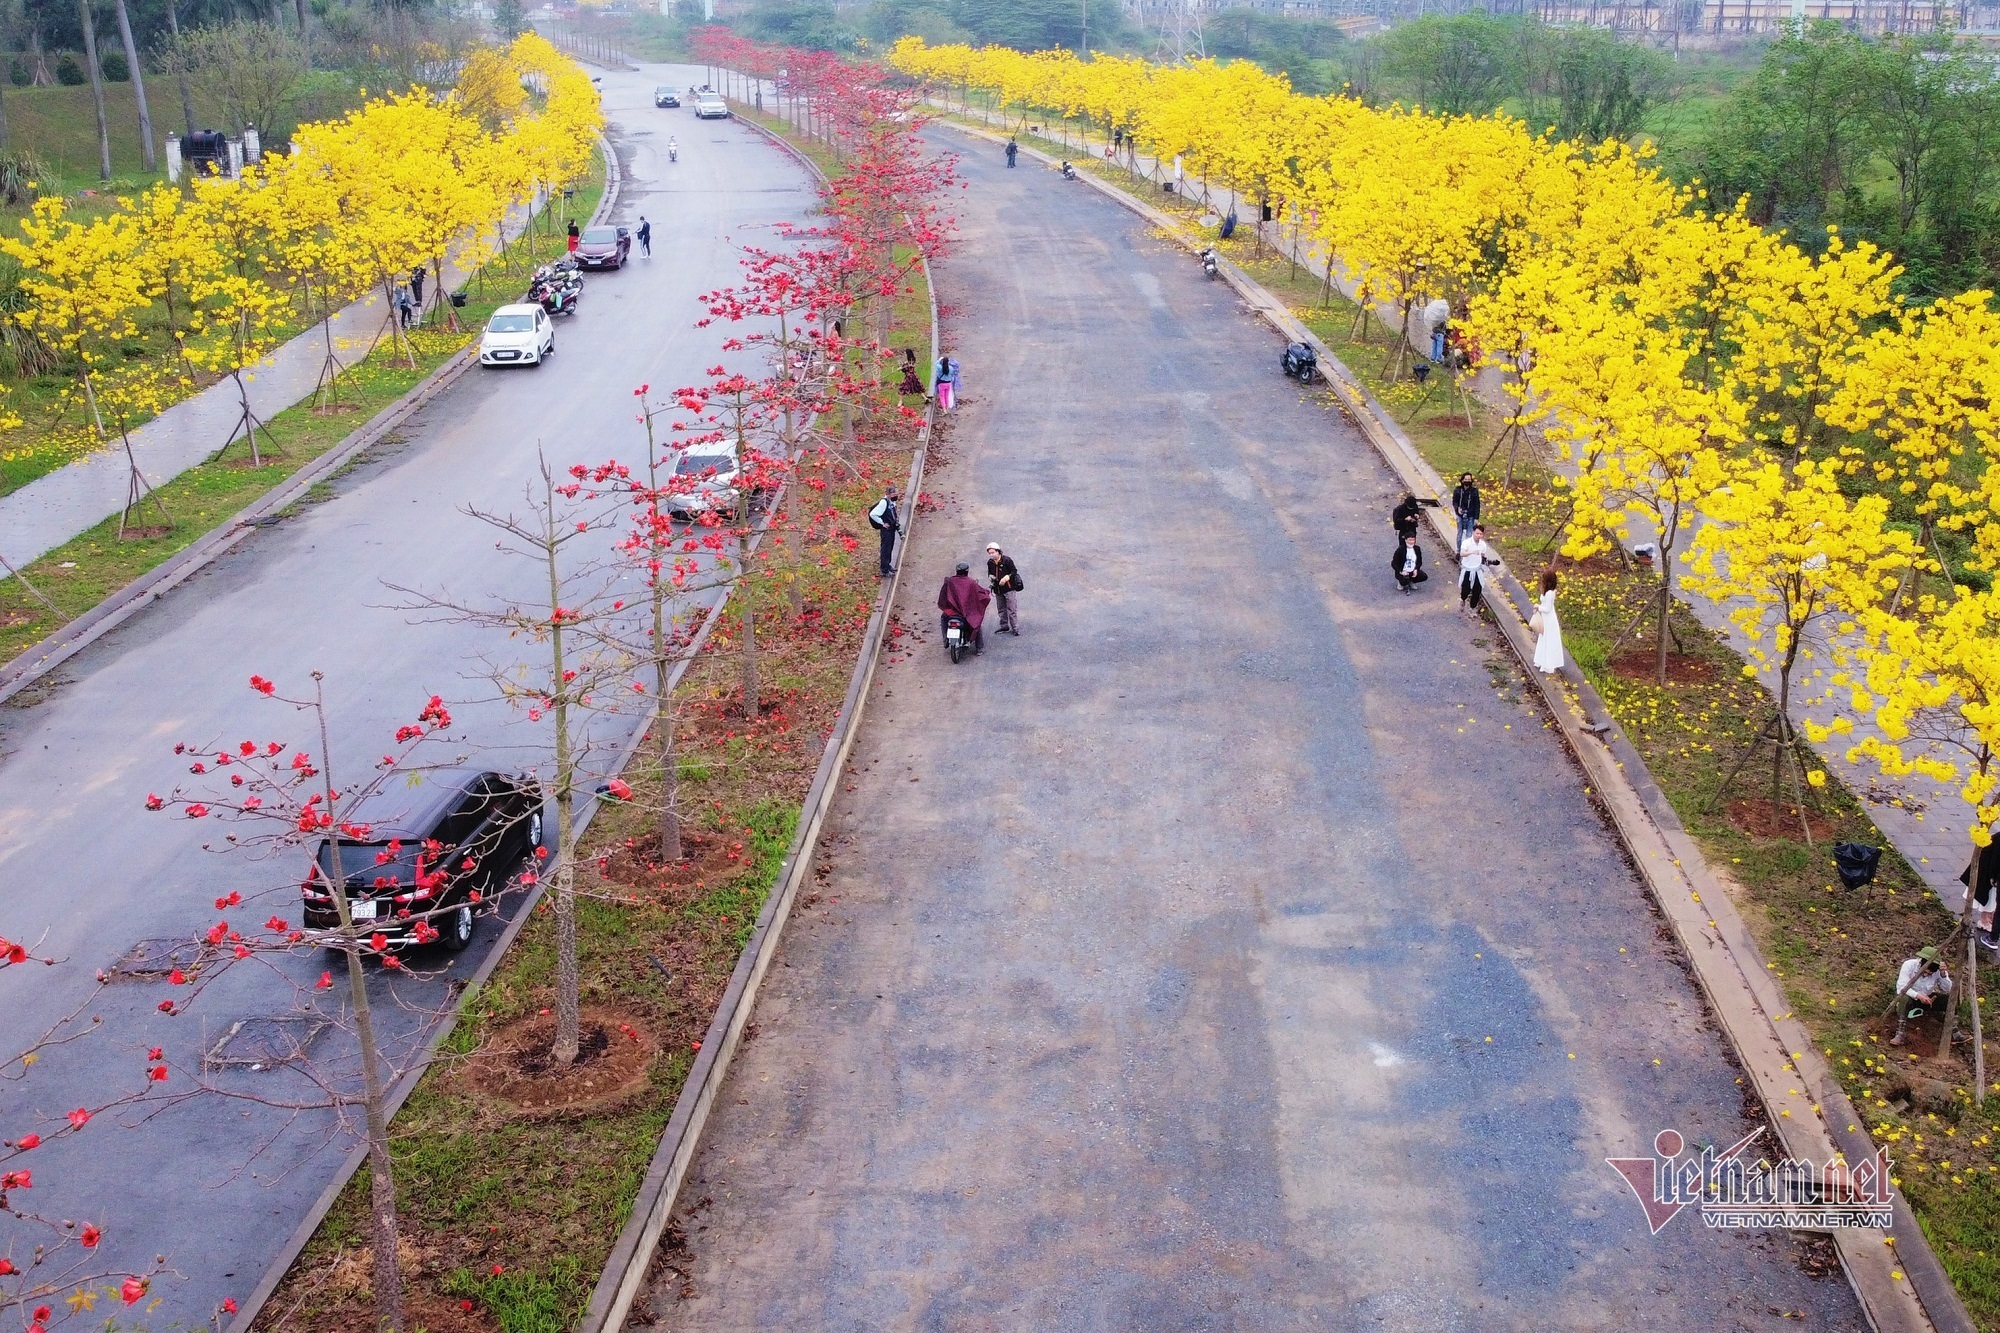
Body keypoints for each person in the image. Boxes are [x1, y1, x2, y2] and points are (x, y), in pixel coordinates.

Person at [1892, 946, 1954, 1046]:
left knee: (1949, 1001)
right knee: (1904, 998)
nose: (1927, 974)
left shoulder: (1939, 971)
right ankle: (1900, 1033)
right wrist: (1919, 996)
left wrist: (1943, 975)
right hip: (1910, 998)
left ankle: (1953, 1031)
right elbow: (1901, 987)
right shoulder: (1909, 965)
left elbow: (1948, 989)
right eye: (1925, 971)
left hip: (1927, 1000)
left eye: (1930, 973)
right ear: (1921, 963)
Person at [938, 563, 992, 654]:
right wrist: (986, 593)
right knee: (976, 623)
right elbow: (979, 594)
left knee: (943, 618)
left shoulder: (950, 581)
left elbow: (943, 595)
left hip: (952, 612)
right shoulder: (971, 582)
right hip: (966, 613)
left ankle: (945, 639)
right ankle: (979, 648)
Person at [1458, 523, 1499, 613]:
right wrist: (1471, 552)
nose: (1479, 536)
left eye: (1480, 534)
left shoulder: (1483, 545)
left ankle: (1472, 608)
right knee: (1466, 589)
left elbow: (1482, 557)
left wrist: (1490, 562)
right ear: (1473, 532)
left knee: (1477, 590)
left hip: (1477, 569)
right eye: (1477, 533)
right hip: (1467, 569)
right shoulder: (1467, 542)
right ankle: (1462, 599)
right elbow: (1462, 553)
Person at [1532, 570, 1565, 674]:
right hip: (1545, 618)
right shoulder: (1548, 591)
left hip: (1549, 620)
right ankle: (1542, 661)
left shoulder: (1550, 593)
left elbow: (1547, 608)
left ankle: (1548, 664)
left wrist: (1538, 606)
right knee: (1544, 638)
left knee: (1548, 639)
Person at [986, 542, 1022, 636]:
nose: (991, 555)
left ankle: (1015, 628)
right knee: (1001, 609)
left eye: (993, 552)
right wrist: (991, 577)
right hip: (998, 589)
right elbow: (989, 573)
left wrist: (1007, 577)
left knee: (1012, 609)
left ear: (998, 551)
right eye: (989, 553)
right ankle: (1004, 626)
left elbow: (1014, 571)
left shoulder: (1007, 560)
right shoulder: (990, 563)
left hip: (1009, 589)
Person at [868, 485, 900, 577]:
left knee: (890, 548)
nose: (896, 496)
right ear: (889, 494)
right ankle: (884, 570)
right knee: (885, 549)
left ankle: (888, 565)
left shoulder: (892, 502)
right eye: (894, 494)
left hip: (891, 528)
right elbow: (873, 514)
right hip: (886, 530)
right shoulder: (884, 503)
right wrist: (882, 523)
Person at [1451, 472, 1481, 550]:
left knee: (1469, 534)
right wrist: (1457, 508)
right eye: (1465, 479)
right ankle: (1459, 551)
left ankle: (1467, 550)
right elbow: (1454, 502)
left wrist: (1476, 518)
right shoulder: (1458, 490)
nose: (1467, 481)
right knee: (1460, 534)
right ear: (1462, 480)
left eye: (1469, 479)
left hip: (1470, 515)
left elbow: (1477, 505)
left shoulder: (1474, 491)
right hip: (1460, 515)